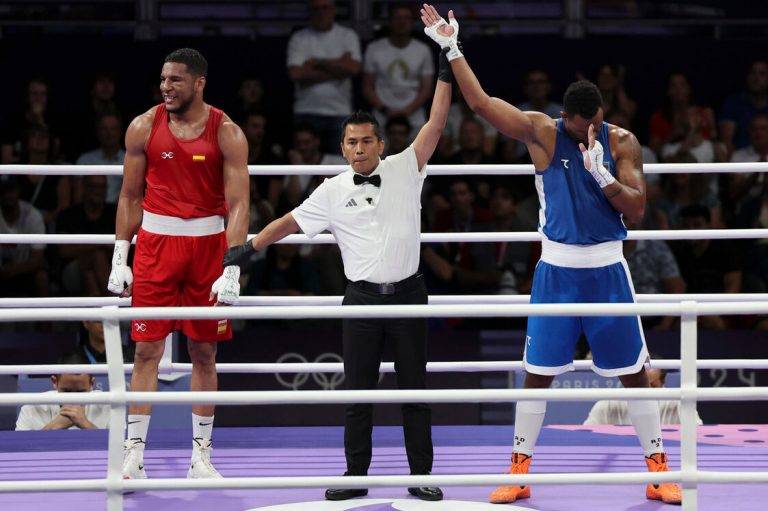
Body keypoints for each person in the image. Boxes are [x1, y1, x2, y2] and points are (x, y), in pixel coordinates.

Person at [419, 4, 681, 505]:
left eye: (594, 126)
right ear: (568, 117)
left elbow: (640, 208)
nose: (587, 134)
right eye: (580, 127)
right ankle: (518, 470)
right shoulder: (543, 131)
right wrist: (451, 48)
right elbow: (480, 105)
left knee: (633, 372)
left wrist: (603, 175)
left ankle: (657, 469)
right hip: (556, 271)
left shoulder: (622, 142)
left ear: (602, 116)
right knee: (536, 371)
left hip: (608, 269)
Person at [226, 44, 455, 502]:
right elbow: (289, 222)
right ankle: (355, 476)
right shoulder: (330, 190)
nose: (358, 149)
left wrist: (448, 62)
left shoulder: (406, 167)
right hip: (363, 299)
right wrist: (248, 247)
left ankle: (423, 475)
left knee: (415, 388)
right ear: (342, 146)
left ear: (380, 143)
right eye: (351, 142)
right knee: (358, 393)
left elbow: (434, 124)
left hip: (409, 294)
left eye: (366, 140)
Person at [106, 48, 249, 481]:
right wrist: (120, 256)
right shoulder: (143, 127)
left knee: (205, 352)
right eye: (163, 80)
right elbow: (130, 196)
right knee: (147, 351)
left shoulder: (228, 132)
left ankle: (201, 458)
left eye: (176, 80)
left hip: (208, 246)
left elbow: (239, 202)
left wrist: (233, 266)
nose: (166, 87)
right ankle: (134, 456)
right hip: (155, 247)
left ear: (199, 83)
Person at [286, 0, 362, 151]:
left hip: (340, 112)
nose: (321, 12)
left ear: (334, 10)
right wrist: (339, 67)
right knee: (304, 167)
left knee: (340, 167)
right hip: (306, 110)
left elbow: (353, 68)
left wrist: (316, 63)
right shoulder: (299, 38)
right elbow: (296, 73)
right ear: (310, 11)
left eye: (325, 8)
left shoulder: (347, 36)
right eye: (316, 8)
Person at [362, 3, 434, 132]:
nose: (402, 22)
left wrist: (407, 111)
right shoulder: (374, 49)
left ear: (412, 22)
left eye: (406, 18)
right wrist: (385, 110)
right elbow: (367, 87)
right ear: (390, 22)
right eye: (397, 18)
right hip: (381, 115)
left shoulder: (423, 50)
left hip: (414, 116)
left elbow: (426, 89)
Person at [15, 352, 110, 431]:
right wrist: (54, 427)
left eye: (81, 392)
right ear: (55, 381)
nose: (73, 400)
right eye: (67, 391)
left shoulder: (109, 406)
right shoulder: (31, 408)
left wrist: (85, 424)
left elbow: (122, 448)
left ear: (91, 384)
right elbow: (17, 450)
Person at [584, 366, 703, 425]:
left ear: (662, 383)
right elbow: (586, 438)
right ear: (626, 381)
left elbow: (697, 434)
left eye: (652, 385)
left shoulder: (677, 404)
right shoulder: (607, 405)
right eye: (639, 385)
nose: (645, 392)